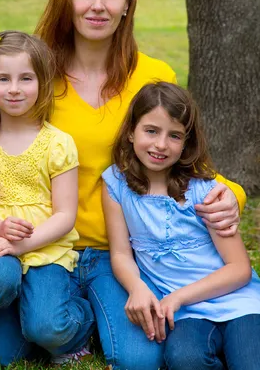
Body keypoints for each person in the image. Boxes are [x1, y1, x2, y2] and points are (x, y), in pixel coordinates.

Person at [29, 0, 246, 370]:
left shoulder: (154, 75)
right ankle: (69, 317)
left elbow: (185, 158)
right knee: (40, 327)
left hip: (121, 254)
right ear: (65, 0)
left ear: (128, 3)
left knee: (141, 359)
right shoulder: (37, 75)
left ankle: (95, 313)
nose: (98, 6)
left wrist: (230, 197)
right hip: (50, 246)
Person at [0, 31, 95, 369]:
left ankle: (78, 320)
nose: (14, 88)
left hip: (45, 247)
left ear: (42, 83)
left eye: (26, 78)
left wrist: (20, 245)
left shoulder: (57, 144)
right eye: (3, 78)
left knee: (46, 328)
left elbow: (64, 216)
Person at [102, 82, 260, 370]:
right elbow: (121, 253)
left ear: (186, 142)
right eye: (151, 131)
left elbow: (239, 269)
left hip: (238, 303)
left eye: (174, 135)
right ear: (130, 131)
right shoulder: (116, 185)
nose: (161, 145)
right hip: (187, 315)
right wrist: (136, 286)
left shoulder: (204, 190)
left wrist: (177, 297)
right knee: (184, 359)